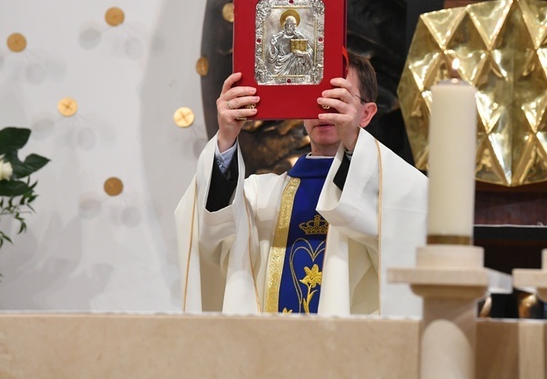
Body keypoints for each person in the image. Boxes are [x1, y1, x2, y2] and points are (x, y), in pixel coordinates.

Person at [175, 52, 427, 316]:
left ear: (366, 114)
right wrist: (226, 137)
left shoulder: (390, 191)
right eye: (316, 96)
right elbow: (208, 232)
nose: (325, 108)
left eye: (338, 97)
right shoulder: (259, 197)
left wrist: (353, 140)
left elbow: (411, 216)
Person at [267, 14, 314, 79]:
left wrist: (302, 54)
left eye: (292, 25)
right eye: (287, 24)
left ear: (295, 26)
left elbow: (310, 52)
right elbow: (272, 59)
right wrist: (272, 45)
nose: (289, 27)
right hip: (282, 69)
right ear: (284, 25)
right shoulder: (279, 38)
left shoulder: (299, 37)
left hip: (297, 69)